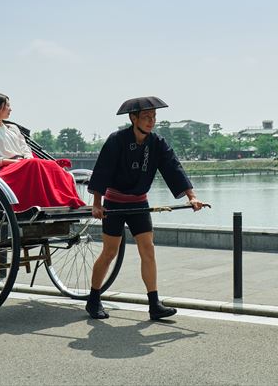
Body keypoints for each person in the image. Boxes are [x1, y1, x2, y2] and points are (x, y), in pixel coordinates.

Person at [86, 96, 205, 321]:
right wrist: (97, 204)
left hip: (139, 202)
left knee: (148, 249)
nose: (151, 121)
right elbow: (102, 171)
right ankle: (93, 299)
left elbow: (173, 167)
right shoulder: (117, 140)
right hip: (115, 202)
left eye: (154, 117)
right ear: (133, 118)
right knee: (110, 252)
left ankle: (154, 304)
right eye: (146, 117)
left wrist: (192, 197)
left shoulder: (157, 143)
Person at [0, 92, 85, 212]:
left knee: (52, 165)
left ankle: (65, 200)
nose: (10, 109)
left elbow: (25, 147)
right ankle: (51, 201)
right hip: (7, 168)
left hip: (24, 163)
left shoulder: (13, 128)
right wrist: (14, 162)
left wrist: (27, 158)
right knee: (34, 164)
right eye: (7, 105)